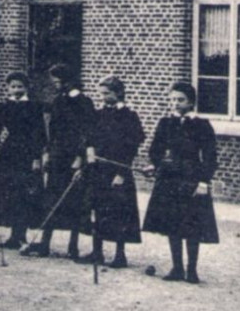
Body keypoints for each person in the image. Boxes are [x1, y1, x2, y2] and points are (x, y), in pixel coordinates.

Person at [142, 81, 219, 283]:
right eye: (172, 99)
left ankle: (191, 270)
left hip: (191, 178)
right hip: (168, 178)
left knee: (191, 225)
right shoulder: (166, 123)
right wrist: (153, 165)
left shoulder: (202, 125)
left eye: (181, 100)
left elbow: (210, 157)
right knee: (172, 224)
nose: (175, 103)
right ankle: (177, 268)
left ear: (191, 102)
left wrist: (204, 181)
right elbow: (155, 151)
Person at [23, 63, 95, 259]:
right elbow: (52, 130)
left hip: (73, 158)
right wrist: (47, 152)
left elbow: (87, 133)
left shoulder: (84, 103)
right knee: (51, 198)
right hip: (57, 156)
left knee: (74, 200)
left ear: (67, 81)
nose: (55, 85)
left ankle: (73, 247)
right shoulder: (58, 101)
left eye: (57, 81)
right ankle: (45, 243)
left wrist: (80, 158)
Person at [83, 75, 145, 268]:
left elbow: (132, 146)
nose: (103, 97)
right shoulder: (98, 114)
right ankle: (97, 251)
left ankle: (120, 254)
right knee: (97, 208)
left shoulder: (129, 116)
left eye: (107, 93)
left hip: (118, 170)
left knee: (120, 211)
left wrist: (121, 173)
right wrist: (90, 151)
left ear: (118, 93)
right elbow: (89, 136)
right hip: (98, 169)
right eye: (101, 93)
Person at [0, 71, 41, 249]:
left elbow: (39, 133)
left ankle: (21, 233)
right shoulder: (5, 107)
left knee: (24, 194)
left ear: (26, 88)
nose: (16, 90)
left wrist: (36, 157)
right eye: (13, 86)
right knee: (8, 192)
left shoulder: (33, 107)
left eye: (19, 86)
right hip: (9, 152)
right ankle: (11, 235)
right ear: (8, 88)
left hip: (26, 153)